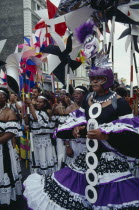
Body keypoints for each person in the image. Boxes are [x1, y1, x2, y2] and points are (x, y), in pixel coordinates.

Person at [23, 52, 139, 210]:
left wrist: (106, 135)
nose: (94, 82)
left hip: (110, 159)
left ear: (108, 80)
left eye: (99, 79)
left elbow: (131, 135)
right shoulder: (89, 98)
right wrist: (76, 129)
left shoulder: (119, 102)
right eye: (92, 79)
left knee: (106, 197)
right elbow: (80, 119)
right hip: (88, 155)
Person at [0, 88, 22, 205]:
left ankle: (5, 198)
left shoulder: (9, 112)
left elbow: (10, 133)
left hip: (4, 148)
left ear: (6, 98)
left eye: (2, 96)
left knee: (4, 169)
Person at [25, 95, 57, 175]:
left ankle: (46, 176)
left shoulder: (47, 111)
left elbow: (37, 118)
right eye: (37, 101)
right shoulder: (33, 110)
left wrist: (31, 105)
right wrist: (26, 111)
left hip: (44, 140)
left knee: (44, 157)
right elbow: (27, 122)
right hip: (35, 139)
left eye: (40, 102)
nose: (38, 103)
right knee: (37, 159)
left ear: (45, 104)